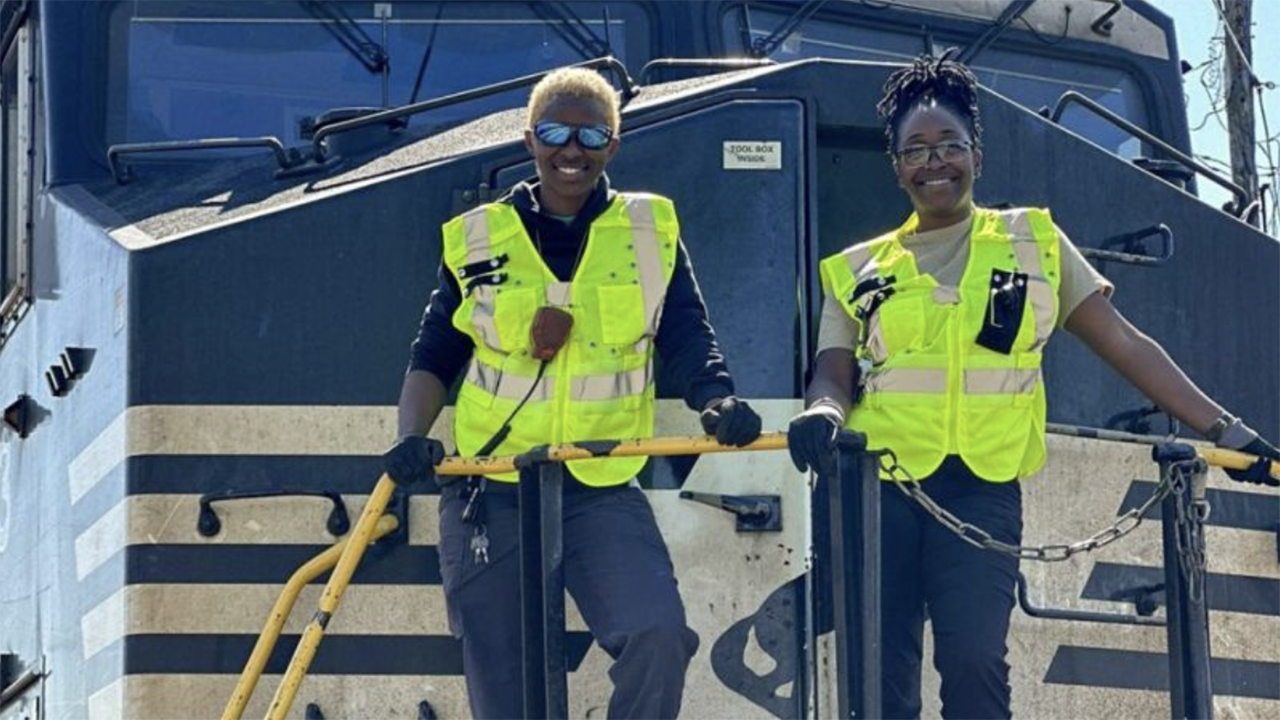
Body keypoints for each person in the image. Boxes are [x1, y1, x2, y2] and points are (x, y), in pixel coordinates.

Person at [786, 52, 1280, 720]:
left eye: (949, 145)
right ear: (896, 166)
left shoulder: (1033, 243)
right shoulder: (855, 269)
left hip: (981, 489)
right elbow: (833, 370)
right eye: (916, 150)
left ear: (977, 156)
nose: (934, 162)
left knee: (975, 661)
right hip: (878, 491)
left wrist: (1229, 431)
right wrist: (822, 410)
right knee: (880, 676)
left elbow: (1125, 342)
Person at [383, 67, 762, 720]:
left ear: (613, 144)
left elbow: (685, 334)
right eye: (556, 132)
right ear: (530, 139)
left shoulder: (650, 230)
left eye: (592, 135)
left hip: (599, 486)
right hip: (491, 488)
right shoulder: (477, 238)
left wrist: (717, 399)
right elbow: (434, 354)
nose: (572, 150)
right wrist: (410, 436)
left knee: (657, 635)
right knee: (505, 681)